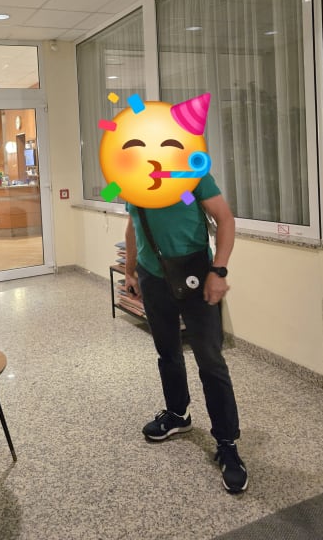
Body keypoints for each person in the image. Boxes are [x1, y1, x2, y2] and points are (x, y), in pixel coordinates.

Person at [125, 172, 248, 493]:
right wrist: (130, 271)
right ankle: (178, 414)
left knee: (210, 361)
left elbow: (224, 218)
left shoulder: (191, 177)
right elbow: (133, 223)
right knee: (167, 352)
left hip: (196, 275)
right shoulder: (131, 178)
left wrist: (219, 270)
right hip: (153, 277)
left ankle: (227, 442)